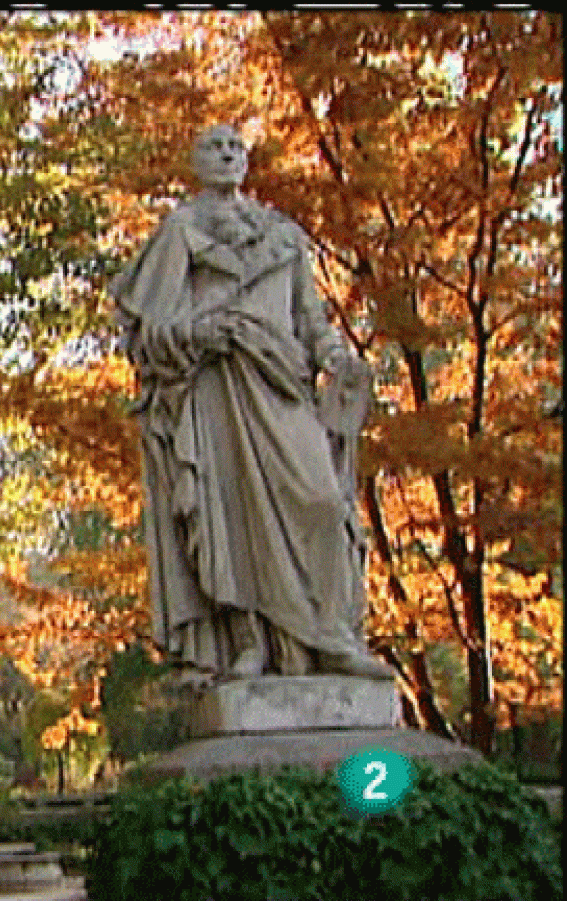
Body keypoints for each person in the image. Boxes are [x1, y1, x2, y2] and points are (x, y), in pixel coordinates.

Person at [109, 124, 392, 680]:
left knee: (323, 501)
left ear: (247, 159)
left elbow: (309, 318)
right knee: (230, 518)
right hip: (218, 387)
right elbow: (149, 334)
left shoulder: (283, 236)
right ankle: (250, 643)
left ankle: (332, 635)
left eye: (235, 146)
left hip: (282, 385)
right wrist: (203, 332)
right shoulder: (181, 232)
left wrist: (337, 358)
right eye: (213, 147)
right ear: (195, 162)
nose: (226, 154)